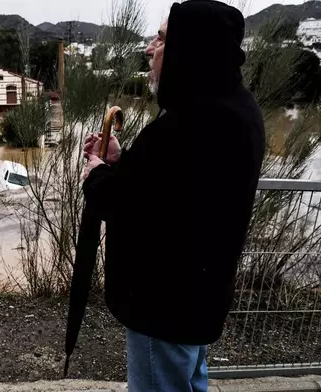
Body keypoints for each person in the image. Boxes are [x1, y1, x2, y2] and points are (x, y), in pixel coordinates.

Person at [82, 1, 266, 391]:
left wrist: (96, 174)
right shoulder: (233, 109)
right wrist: (120, 159)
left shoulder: (189, 123)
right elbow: (171, 192)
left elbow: (127, 206)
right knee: (189, 383)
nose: (149, 48)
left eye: (161, 39)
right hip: (197, 297)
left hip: (163, 304)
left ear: (191, 48)